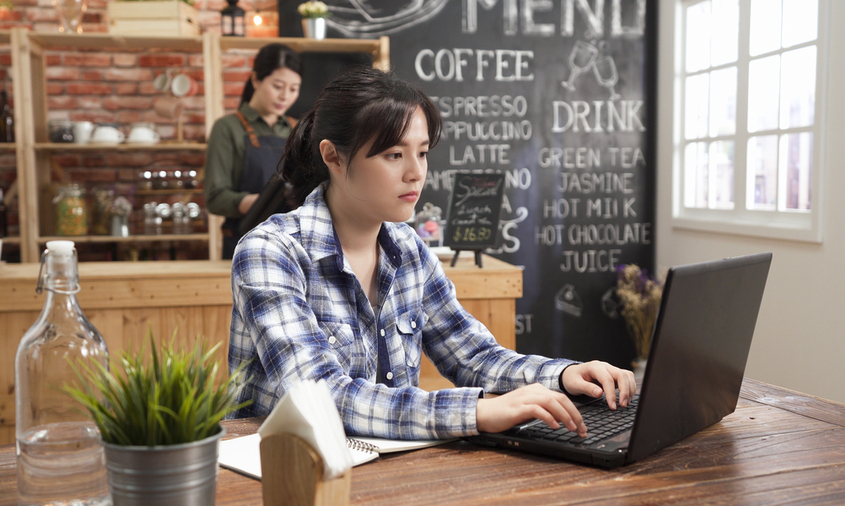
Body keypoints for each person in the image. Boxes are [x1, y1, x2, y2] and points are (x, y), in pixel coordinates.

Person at [228, 67, 635, 440]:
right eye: (393, 155)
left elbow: (473, 354)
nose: (416, 172)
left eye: (421, 152)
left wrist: (563, 376)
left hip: (391, 469)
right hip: (288, 477)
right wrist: (476, 412)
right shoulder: (270, 252)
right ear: (333, 156)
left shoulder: (407, 248)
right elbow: (320, 397)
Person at [204, 43, 302, 259]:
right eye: (278, 86)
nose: (285, 96)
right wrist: (264, 204)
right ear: (256, 79)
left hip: (294, 247)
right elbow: (215, 198)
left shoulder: (298, 130)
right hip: (244, 246)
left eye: (293, 89)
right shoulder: (227, 127)